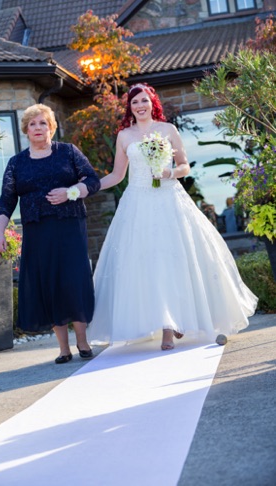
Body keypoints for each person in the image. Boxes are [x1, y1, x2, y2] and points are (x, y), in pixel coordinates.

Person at [88, 83, 257, 350]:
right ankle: (165, 321)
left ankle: (171, 327)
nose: (139, 106)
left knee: (174, 257)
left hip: (169, 198)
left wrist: (168, 173)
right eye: (134, 103)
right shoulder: (124, 136)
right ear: (129, 108)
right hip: (137, 203)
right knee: (148, 262)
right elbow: (117, 175)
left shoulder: (167, 130)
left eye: (143, 101)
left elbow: (184, 165)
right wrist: (87, 187)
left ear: (152, 102)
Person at [0, 103, 100, 364]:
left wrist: (70, 192)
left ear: (51, 127)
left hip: (69, 227)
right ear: (26, 131)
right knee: (49, 283)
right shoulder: (17, 163)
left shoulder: (68, 152)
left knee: (73, 281)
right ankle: (63, 348)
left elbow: (92, 180)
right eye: (33, 124)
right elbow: (6, 200)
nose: (38, 128)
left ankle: (83, 342)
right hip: (38, 232)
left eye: (43, 123)